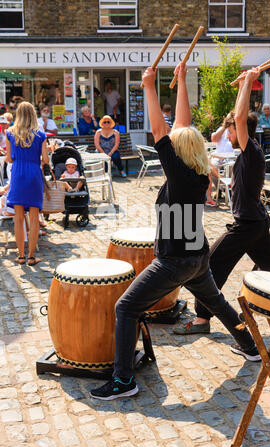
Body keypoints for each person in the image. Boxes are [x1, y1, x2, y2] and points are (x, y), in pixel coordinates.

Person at [90, 62, 261, 402]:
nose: (170, 141)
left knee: (126, 308)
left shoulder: (180, 177)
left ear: (178, 152)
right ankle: (250, 345)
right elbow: (182, 125)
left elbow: (159, 130)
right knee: (216, 302)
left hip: (175, 261)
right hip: (197, 256)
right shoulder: (195, 174)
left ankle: (124, 380)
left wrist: (150, 87)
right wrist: (180, 80)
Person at [173, 67, 270, 336]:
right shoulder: (248, 151)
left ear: (241, 130)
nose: (228, 135)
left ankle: (202, 318)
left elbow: (240, 118)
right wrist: (243, 84)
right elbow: (237, 116)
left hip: (247, 224)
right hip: (254, 222)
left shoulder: (251, 150)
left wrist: (251, 81)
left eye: (231, 130)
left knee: (213, 262)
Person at [6, 101, 49, 266]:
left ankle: (21, 256)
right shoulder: (40, 135)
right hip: (33, 174)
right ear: (33, 114)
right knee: (34, 217)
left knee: (18, 218)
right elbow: (45, 159)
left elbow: (9, 158)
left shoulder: (10, 133)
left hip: (18, 174)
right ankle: (31, 256)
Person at [205, 123, 235, 207]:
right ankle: (220, 188)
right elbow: (214, 139)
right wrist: (224, 127)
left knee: (232, 166)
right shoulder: (222, 129)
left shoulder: (237, 129)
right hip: (218, 157)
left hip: (231, 157)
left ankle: (230, 190)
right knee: (213, 165)